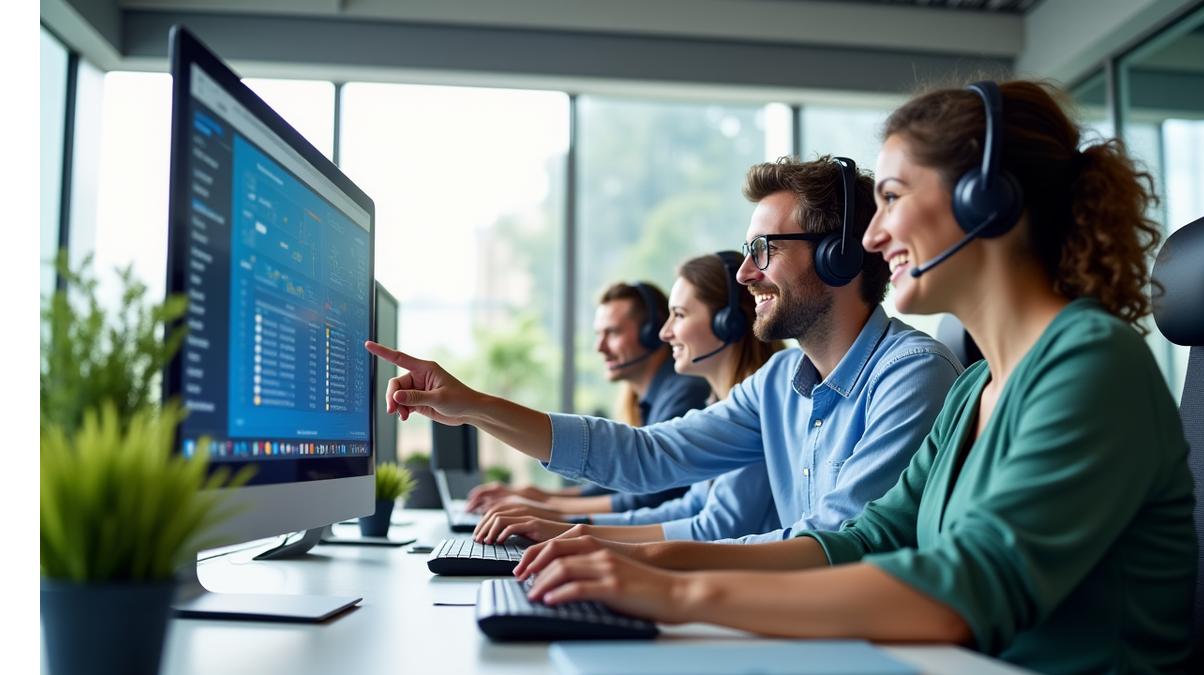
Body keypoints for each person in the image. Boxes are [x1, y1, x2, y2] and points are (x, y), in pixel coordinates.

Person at [502, 81, 1197, 675]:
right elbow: (866, 538)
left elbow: (964, 591)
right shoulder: (977, 388)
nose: (870, 234)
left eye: (892, 198)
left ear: (986, 202)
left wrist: (677, 593)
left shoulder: (1091, 365)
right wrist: (635, 559)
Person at [366, 153, 961, 551]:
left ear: (839, 255)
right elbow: (646, 455)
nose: (747, 273)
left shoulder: (911, 377)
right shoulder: (781, 381)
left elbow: (832, 546)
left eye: (764, 249)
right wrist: (473, 406)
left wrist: (606, 547)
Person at [473, 251, 785, 544]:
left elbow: (714, 528)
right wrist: (570, 526)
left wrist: (570, 527)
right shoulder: (718, 408)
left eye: (679, 315)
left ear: (729, 323)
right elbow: (687, 508)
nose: (665, 333)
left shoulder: (758, 409)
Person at [466, 281, 711, 517]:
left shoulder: (685, 392)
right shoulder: (654, 397)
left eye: (612, 332)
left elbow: (648, 495)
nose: (599, 347)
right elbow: (618, 482)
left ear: (651, 332)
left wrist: (545, 506)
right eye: (598, 334)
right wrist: (537, 495)